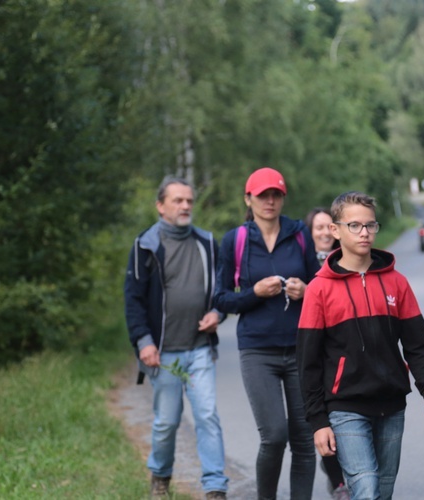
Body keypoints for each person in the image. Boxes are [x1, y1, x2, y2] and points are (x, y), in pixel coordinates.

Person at [297, 191, 424, 500]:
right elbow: (308, 363)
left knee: (383, 491)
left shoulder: (396, 282)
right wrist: (318, 422)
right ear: (336, 230)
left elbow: (418, 345)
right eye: (355, 225)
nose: (365, 232)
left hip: (392, 405)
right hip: (345, 407)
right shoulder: (318, 290)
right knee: (365, 487)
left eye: (370, 225)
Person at [214, 167, 319, 500]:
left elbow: (322, 286)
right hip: (258, 351)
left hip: (301, 347)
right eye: (262, 195)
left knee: (304, 438)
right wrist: (253, 293)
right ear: (249, 199)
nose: (269, 201)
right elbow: (220, 299)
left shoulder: (300, 233)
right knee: (274, 435)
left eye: (275, 194)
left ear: (283, 198)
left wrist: (307, 290)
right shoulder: (236, 240)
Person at [124, 177, 228, 500]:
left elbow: (222, 291)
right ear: (161, 205)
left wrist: (219, 314)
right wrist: (144, 342)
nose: (185, 206)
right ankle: (161, 477)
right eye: (178, 201)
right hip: (164, 355)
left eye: (189, 201)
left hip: (199, 350)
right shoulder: (146, 245)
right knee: (166, 423)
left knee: (207, 415)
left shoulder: (208, 242)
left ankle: (214, 487)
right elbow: (133, 299)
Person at [304, 207, 348, 500]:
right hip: (310, 351)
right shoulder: (300, 261)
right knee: (323, 424)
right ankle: (339, 483)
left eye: (326, 227)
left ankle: (352, 477)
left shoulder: (345, 261)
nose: (322, 232)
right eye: (316, 228)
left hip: (340, 354)